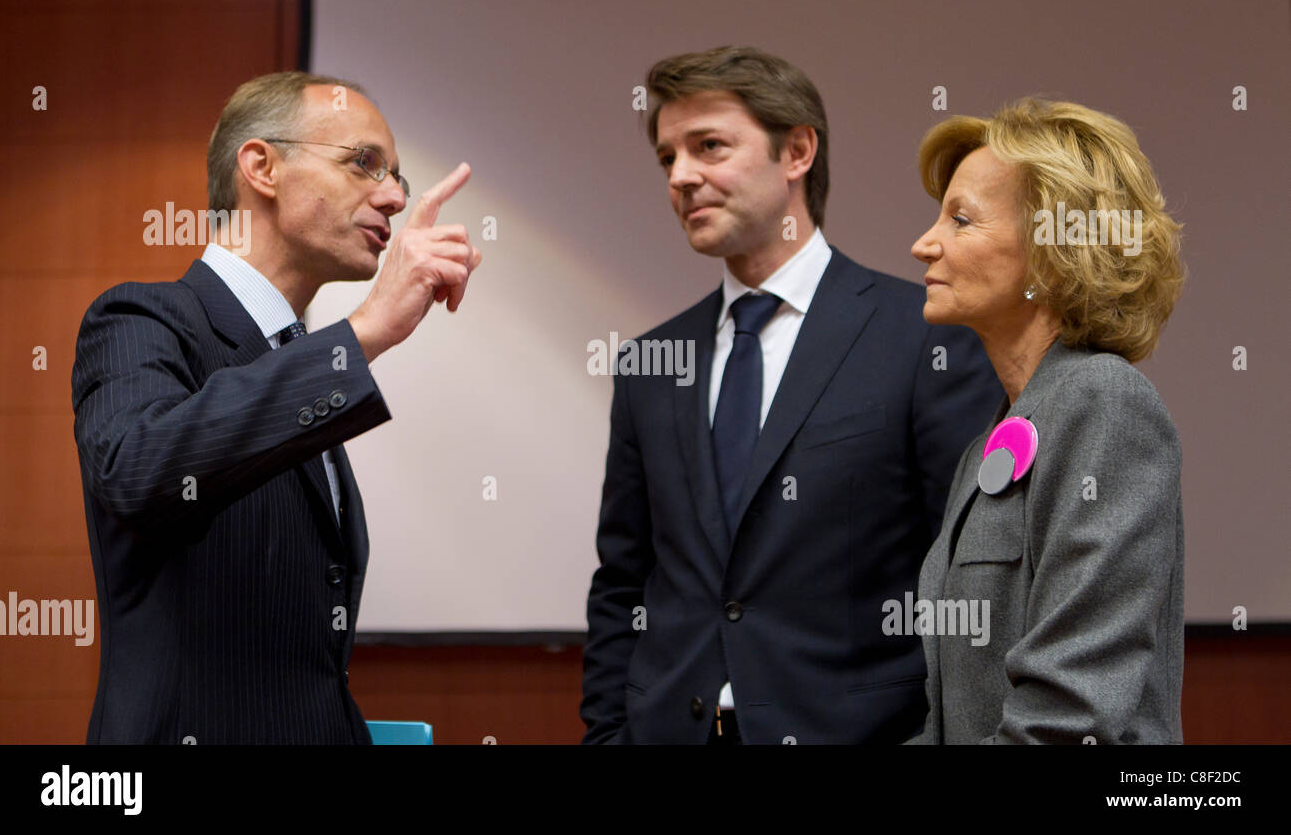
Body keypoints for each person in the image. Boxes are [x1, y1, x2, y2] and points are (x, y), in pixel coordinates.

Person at [580, 46, 1002, 744]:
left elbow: (966, 576)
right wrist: (606, 735)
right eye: (667, 159)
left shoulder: (924, 336)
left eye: (709, 146)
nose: (682, 176)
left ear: (797, 151)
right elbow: (623, 584)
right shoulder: (650, 363)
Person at [71, 71, 481, 743]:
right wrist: (364, 333)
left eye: (397, 178)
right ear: (261, 166)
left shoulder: (296, 355)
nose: (391, 197)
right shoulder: (141, 316)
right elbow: (139, 473)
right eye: (363, 164)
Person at [906, 97, 1186, 744]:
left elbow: (1069, 716)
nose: (924, 243)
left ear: (1054, 252)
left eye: (961, 219)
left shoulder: (1106, 404)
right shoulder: (988, 443)